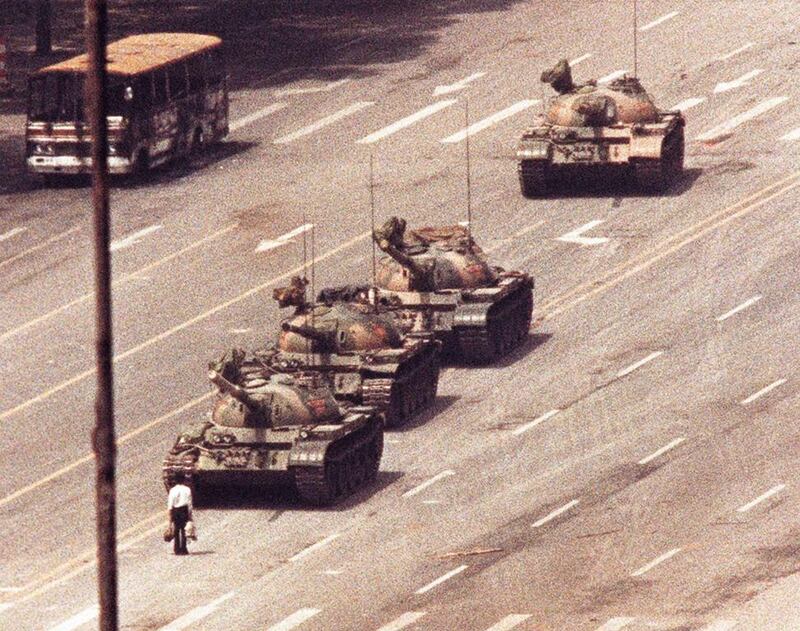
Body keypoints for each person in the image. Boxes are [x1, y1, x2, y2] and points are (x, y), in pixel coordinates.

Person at [167, 474, 193, 555]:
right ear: (184, 480)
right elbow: (189, 503)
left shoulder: (172, 490)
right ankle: (184, 549)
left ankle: (176, 548)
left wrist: (169, 519)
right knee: (184, 530)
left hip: (176, 510)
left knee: (176, 530)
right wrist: (190, 515)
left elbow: (170, 504)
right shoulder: (187, 489)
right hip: (184, 510)